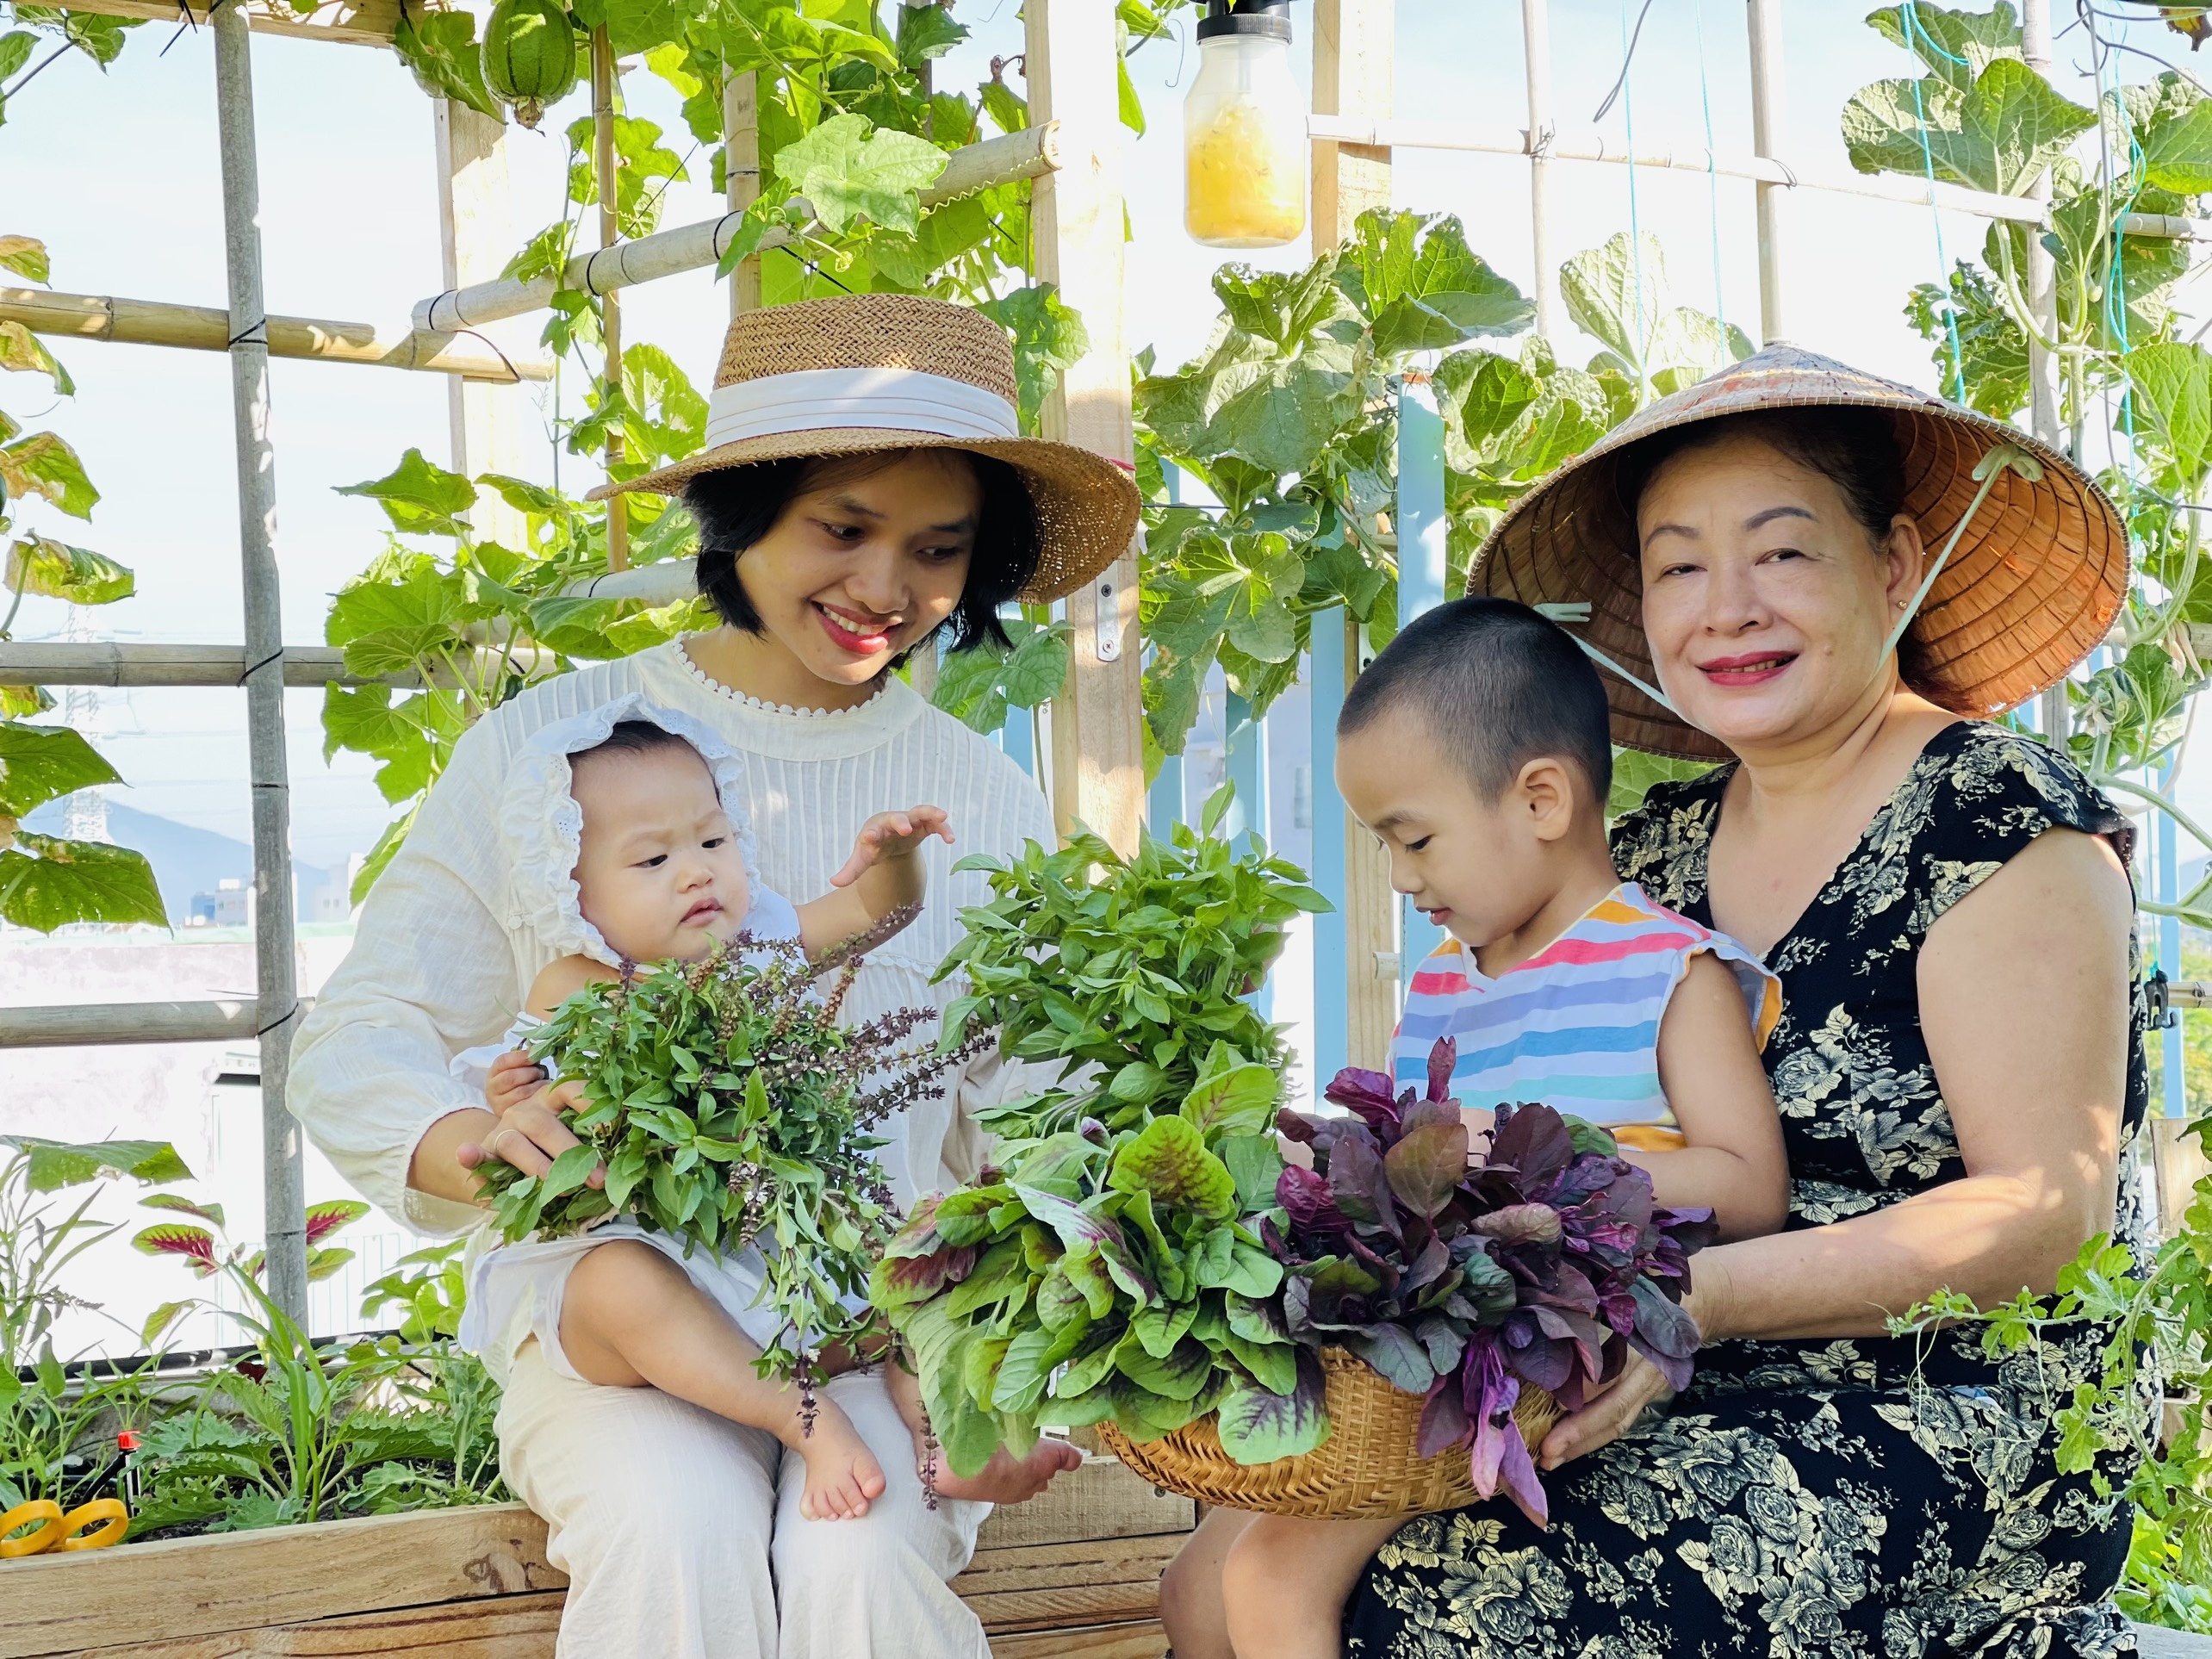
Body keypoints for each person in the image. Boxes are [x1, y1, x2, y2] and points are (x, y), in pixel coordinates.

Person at [288, 293, 1140, 1659]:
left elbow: (1055, 1102)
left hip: (864, 1329)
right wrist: (482, 1141)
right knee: (673, 1521)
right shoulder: (556, 742)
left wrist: (987, 1345)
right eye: (842, 528)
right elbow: (359, 1037)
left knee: (856, 1556)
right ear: (742, 514)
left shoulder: (975, 794)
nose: (884, 589)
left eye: (939, 549)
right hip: (618, 1316)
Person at [1325, 346, 2147, 1657]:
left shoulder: (1996, 819)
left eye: (1781, 554)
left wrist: (1699, 1303)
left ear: (1892, 564)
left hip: (1950, 1403)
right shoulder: (1646, 855)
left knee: (1437, 1598)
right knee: (1266, 1550)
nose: (1727, 608)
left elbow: (2048, 1210)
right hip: (1654, 1375)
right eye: (1678, 567)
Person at [1165, 596, 1791, 1659]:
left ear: (1542, 797)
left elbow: (1753, 1188)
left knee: (1271, 1579)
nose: (1403, 878)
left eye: (1416, 839)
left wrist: (1563, 1161)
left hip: (1543, 1351)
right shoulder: (1445, 985)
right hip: (1422, 1349)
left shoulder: (1665, 971)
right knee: (1190, 1587)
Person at [451, 704, 955, 1524]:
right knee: (617, 1284)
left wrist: (894, 860)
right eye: (652, 858)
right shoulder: (573, 988)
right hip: (652, 1256)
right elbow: (532, 1118)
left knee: (899, 1281)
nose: (696, 872)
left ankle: (938, 1431)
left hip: (772, 1249)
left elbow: (878, 916)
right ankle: (803, 1417)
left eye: (714, 842)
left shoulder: (760, 946)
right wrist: (514, 1097)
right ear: (569, 889)